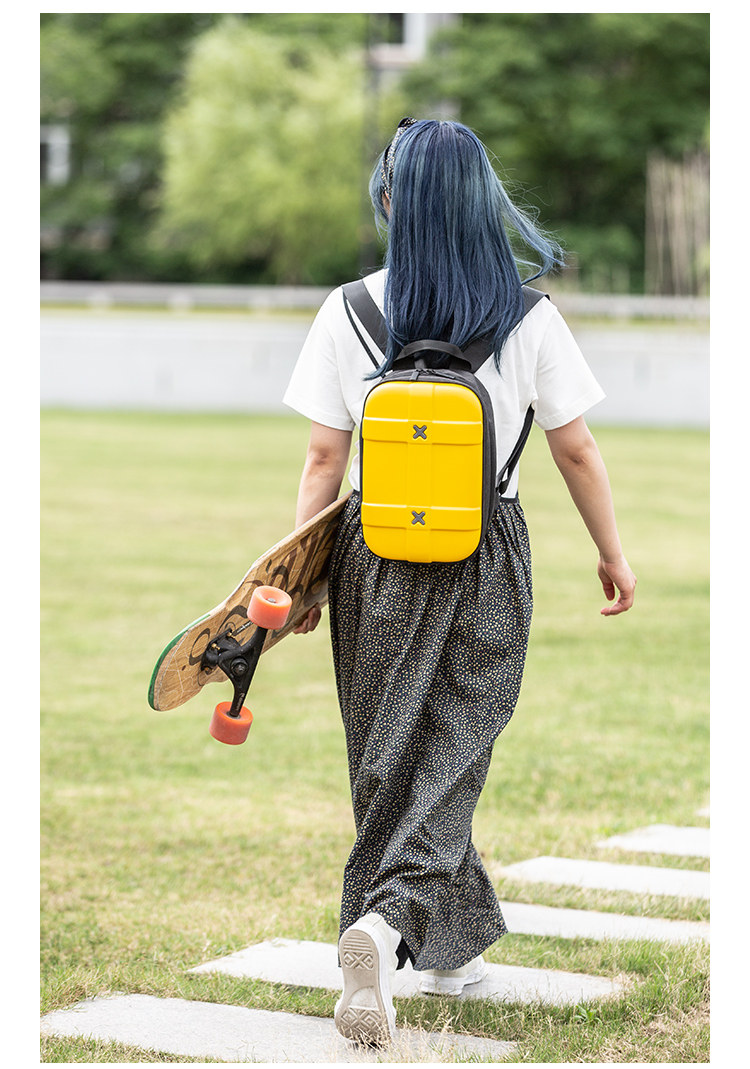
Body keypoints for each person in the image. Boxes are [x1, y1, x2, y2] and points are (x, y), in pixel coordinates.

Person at [282, 118, 636, 1047]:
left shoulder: (350, 311)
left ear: (390, 201)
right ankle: (387, 929)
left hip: (372, 552)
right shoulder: (529, 316)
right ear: (486, 203)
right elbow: (576, 449)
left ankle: (442, 947)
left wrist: (302, 577)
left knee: (389, 753)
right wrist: (611, 551)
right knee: (454, 750)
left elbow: (323, 458)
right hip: (489, 549)